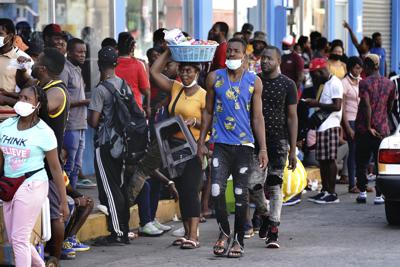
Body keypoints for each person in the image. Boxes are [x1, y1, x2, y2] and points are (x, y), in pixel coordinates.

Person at [197, 38, 268, 258]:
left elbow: (257, 117)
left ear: (245, 55)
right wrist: (201, 141)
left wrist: (263, 148)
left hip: (244, 146)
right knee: (217, 190)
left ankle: (238, 240)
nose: (231, 56)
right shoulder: (214, 78)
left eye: (236, 52)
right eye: (229, 52)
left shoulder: (253, 81)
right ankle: (223, 233)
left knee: (240, 194)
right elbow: (208, 111)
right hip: (220, 144)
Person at [146, 48, 208, 248]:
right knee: (181, 190)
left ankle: (194, 236)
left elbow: (211, 124)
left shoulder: (204, 95)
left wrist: (195, 123)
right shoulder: (176, 88)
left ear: (197, 72)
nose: (185, 74)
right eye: (182, 70)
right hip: (173, 148)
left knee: (190, 190)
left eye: (189, 71)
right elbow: (154, 72)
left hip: (194, 148)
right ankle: (187, 232)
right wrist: (167, 50)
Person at [0, 85, 67, 267]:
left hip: (32, 184)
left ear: (38, 105)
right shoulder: (5, 126)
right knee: (16, 239)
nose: (22, 102)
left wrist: (63, 201)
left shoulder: (44, 133)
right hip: (8, 185)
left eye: (27, 99)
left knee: (19, 238)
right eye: (20, 97)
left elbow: (55, 168)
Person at [16, 47, 72, 260]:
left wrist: (9, 98)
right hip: (34, 157)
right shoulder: (41, 84)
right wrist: (22, 69)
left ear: (42, 68)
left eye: (36, 61)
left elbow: (31, 104)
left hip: (50, 159)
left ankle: (55, 258)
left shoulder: (56, 92)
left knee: (55, 212)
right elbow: (25, 86)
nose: (34, 62)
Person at [88, 46, 131, 245]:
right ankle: (124, 228)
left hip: (105, 144)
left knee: (109, 188)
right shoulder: (124, 84)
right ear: (116, 63)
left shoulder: (100, 90)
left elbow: (94, 121)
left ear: (99, 64)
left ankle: (118, 233)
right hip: (122, 143)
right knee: (119, 187)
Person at [256, 46, 298, 248]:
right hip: (255, 142)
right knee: (253, 185)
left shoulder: (288, 85)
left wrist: (293, 149)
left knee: (274, 185)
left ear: (278, 60)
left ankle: (273, 228)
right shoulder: (254, 81)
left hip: (278, 141)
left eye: (269, 58)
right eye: (262, 58)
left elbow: (292, 117)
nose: (264, 61)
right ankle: (264, 215)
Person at [355, 54, 396, 204]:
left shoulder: (364, 83)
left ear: (367, 67)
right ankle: (379, 196)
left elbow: (365, 104)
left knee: (362, 161)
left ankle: (363, 192)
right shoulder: (390, 84)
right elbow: (391, 106)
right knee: (380, 163)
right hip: (382, 129)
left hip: (365, 129)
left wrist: (368, 126)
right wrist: (382, 116)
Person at [305, 58, 343, 204]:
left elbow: (337, 106)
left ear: (321, 71)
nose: (314, 77)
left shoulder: (335, 83)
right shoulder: (325, 84)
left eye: (314, 74)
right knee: (323, 160)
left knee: (329, 160)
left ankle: (332, 194)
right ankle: (325, 190)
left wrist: (316, 103)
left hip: (331, 124)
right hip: (322, 125)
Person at [60, 38, 91, 190]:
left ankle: (73, 202)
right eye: (79, 52)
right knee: (69, 165)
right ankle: (65, 201)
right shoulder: (64, 70)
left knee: (76, 166)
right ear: (69, 52)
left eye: (84, 52)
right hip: (70, 125)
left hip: (81, 124)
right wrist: (84, 102)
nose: (82, 55)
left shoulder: (77, 69)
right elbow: (61, 100)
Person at [115, 32, 151, 118]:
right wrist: (148, 107)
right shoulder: (138, 65)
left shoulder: (112, 64)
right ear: (132, 47)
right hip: (135, 111)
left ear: (117, 47)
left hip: (116, 111)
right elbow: (146, 91)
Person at [341, 56, 363, 193]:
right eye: (356, 67)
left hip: (360, 120)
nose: (359, 70)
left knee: (361, 153)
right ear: (350, 67)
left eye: (360, 68)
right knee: (353, 153)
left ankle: (361, 184)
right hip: (349, 120)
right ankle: (352, 184)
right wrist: (347, 127)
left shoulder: (360, 81)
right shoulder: (344, 82)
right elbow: (342, 106)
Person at [0, 19, 32, 108]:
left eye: (0, 34)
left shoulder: (23, 59)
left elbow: (28, 90)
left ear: (10, 36)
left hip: (9, 115)